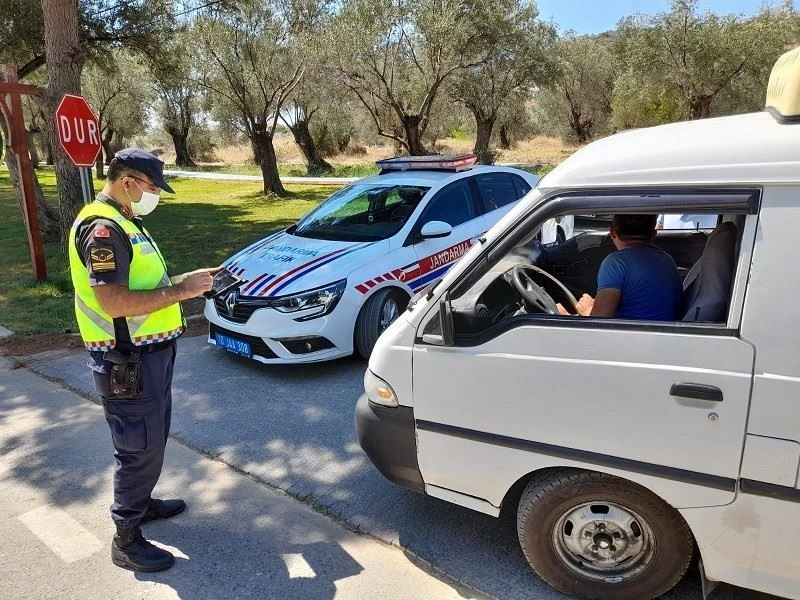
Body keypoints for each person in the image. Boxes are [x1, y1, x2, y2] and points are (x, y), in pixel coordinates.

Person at [68, 148, 218, 572]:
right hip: (127, 360)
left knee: (151, 439)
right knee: (137, 447)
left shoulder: (126, 221)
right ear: (128, 181)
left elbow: (146, 284)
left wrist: (188, 281)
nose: (155, 195)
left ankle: (142, 502)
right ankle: (126, 537)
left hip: (149, 356)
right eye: (153, 187)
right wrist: (182, 292)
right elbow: (114, 301)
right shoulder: (102, 229)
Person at [562, 214, 682, 320]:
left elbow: (600, 321)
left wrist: (586, 310)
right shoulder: (667, 260)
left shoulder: (616, 262)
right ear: (653, 234)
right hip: (661, 332)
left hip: (632, 335)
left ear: (612, 232)